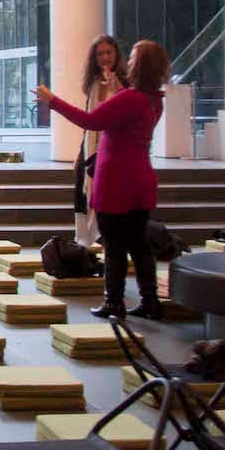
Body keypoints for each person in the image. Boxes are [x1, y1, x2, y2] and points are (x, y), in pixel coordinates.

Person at [36, 39, 169, 320]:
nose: (128, 61)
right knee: (139, 245)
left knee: (114, 247)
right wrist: (116, 89)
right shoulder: (154, 100)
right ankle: (150, 301)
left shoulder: (129, 99)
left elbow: (90, 121)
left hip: (116, 180)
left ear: (140, 64)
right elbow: (127, 116)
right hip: (140, 178)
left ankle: (114, 302)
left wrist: (53, 101)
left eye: (133, 57)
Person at [75, 35, 129, 247]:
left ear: (116, 55)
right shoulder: (94, 85)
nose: (105, 58)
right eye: (100, 54)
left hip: (113, 153)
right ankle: (85, 245)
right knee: (82, 197)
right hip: (91, 151)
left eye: (109, 52)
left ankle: (108, 244)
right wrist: (80, 155)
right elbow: (90, 122)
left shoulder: (125, 84)